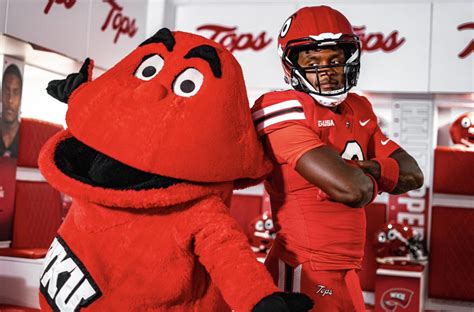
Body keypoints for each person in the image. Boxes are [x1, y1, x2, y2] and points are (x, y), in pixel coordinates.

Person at [251, 6, 424, 312]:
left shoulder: (358, 107)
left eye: (334, 59)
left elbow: (413, 174)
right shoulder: (280, 105)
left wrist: (367, 167)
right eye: (312, 60)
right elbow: (353, 190)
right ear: (291, 65)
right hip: (302, 268)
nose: (326, 70)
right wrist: (379, 174)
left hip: (348, 271)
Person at [0, 64, 22, 158]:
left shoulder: (26, 135)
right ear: (1, 94)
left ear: (21, 97)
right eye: (7, 91)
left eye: (15, 92)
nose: (10, 100)